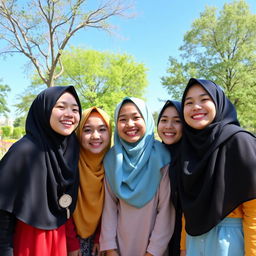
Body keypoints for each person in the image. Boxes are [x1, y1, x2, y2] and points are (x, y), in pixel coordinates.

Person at [178, 78, 256, 256]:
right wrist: (183, 247)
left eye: (204, 99)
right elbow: (188, 208)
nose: (196, 106)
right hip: (193, 240)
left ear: (219, 102)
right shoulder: (188, 149)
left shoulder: (240, 141)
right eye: (189, 102)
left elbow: (254, 210)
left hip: (230, 240)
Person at [0, 86, 82, 256]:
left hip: (58, 241)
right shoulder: (23, 152)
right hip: (27, 243)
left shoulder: (69, 150)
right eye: (60, 107)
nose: (69, 114)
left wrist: (71, 242)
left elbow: (62, 204)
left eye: (75, 109)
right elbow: (3, 214)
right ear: (44, 109)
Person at [100, 96, 175, 256]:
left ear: (147, 120)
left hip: (153, 247)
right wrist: (110, 248)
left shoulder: (161, 156)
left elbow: (166, 211)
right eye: (122, 119)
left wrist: (153, 251)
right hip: (119, 245)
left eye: (136, 117)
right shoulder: (112, 158)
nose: (129, 124)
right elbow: (109, 207)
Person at [66, 107, 112, 256]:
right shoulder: (68, 164)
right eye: (87, 130)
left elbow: (109, 208)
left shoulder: (112, 164)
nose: (95, 136)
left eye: (102, 129)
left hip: (100, 241)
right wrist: (72, 243)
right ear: (78, 133)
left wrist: (100, 237)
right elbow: (62, 207)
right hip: (68, 240)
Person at [157, 100, 183, 256]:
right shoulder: (154, 156)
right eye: (164, 120)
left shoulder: (191, 159)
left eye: (177, 121)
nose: (168, 126)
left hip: (185, 236)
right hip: (156, 237)